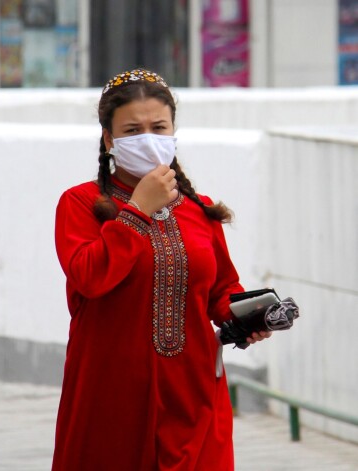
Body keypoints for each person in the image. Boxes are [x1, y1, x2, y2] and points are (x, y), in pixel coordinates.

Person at [51, 68, 271, 470]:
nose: (148, 138)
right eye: (132, 130)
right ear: (108, 139)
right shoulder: (80, 204)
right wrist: (137, 211)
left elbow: (221, 289)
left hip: (193, 390)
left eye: (158, 127)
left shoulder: (199, 208)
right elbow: (89, 277)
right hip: (113, 394)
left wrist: (247, 315)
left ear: (173, 132)